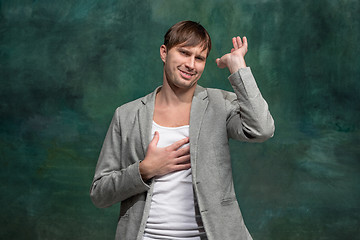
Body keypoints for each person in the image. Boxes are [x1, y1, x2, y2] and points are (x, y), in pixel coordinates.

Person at [90, 20, 275, 240]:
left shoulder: (219, 104)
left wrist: (238, 67)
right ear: (164, 52)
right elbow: (100, 194)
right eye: (184, 53)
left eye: (199, 58)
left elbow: (261, 129)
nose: (191, 64)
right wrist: (144, 170)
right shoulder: (127, 115)